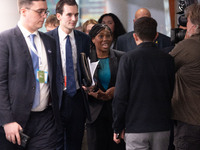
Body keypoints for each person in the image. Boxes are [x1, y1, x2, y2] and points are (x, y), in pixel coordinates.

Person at [0, 0, 60, 150]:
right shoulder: (5, 40)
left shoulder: (49, 42)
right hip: (15, 122)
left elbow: (52, 78)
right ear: (23, 11)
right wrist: (7, 121)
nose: (44, 16)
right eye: (39, 11)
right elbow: (0, 84)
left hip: (45, 120)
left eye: (46, 11)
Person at [112, 17, 175, 150]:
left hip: (135, 127)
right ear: (156, 35)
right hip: (162, 126)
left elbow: (120, 97)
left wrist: (117, 127)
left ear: (135, 36)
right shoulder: (168, 59)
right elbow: (171, 92)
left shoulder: (127, 59)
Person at [46, 0, 90, 150]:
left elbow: (87, 67)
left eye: (76, 15)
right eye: (69, 15)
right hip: (55, 100)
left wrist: (90, 82)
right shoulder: (47, 39)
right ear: (58, 16)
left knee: (75, 144)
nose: (74, 19)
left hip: (77, 98)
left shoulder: (83, 39)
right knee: (55, 144)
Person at [83, 24, 125, 150]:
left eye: (108, 35)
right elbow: (81, 83)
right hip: (94, 114)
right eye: (100, 36)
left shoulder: (122, 57)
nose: (105, 39)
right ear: (93, 39)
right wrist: (89, 92)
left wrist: (116, 90)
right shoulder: (86, 59)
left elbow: (129, 83)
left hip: (116, 113)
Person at [169, 3, 200, 150]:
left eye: (187, 21)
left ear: (193, 25)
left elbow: (164, 68)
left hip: (190, 121)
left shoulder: (187, 46)